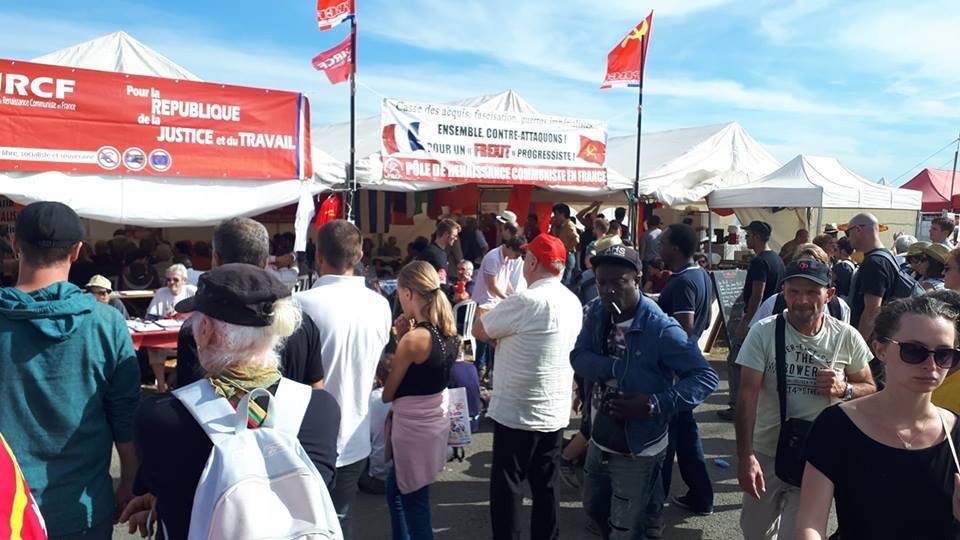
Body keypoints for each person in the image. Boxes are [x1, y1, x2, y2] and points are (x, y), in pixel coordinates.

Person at [128, 264, 341, 540]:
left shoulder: (159, 417)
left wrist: (163, 504)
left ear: (206, 330)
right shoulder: (323, 409)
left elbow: (173, 491)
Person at [0, 201, 140, 538]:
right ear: (77, 251)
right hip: (83, 508)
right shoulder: (107, 324)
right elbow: (125, 420)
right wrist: (129, 483)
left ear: (16, 245)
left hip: (9, 512)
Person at [572, 243, 719, 539]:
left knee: (626, 526)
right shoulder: (598, 313)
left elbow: (705, 377)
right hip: (599, 434)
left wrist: (653, 404)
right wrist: (615, 369)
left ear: (638, 279)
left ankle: (647, 522)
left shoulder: (661, 328)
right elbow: (578, 357)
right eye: (602, 282)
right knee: (594, 506)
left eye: (618, 282)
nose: (608, 290)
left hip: (638, 446)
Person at [796, 295, 960, 540]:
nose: (931, 364)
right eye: (914, 351)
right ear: (880, 350)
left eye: (944, 354)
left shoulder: (956, 432)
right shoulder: (837, 424)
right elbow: (810, 523)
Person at [735, 258, 876, 540]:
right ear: (784, 293)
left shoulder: (845, 336)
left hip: (817, 455)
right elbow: (747, 396)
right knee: (755, 532)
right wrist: (746, 456)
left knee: (799, 534)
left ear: (829, 294)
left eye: (812, 292)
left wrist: (844, 388)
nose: (802, 300)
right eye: (794, 292)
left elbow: (871, 386)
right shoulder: (764, 331)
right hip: (767, 450)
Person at [472, 234, 583, 540]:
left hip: (518, 410)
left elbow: (479, 328)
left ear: (533, 262)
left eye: (526, 258)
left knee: (508, 487)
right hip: (553, 408)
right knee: (546, 485)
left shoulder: (525, 300)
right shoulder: (572, 301)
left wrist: (499, 336)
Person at [296, 219, 393, 540]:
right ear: (360, 255)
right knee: (340, 520)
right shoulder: (380, 306)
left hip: (305, 436)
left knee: (303, 524)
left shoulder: (301, 305)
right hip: (355, 433)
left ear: (318, 255)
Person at [176, 218, 326, 390]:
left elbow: (187, 395)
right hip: (293, 407)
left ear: (215, 259)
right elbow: (316, 388)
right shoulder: (299, 322)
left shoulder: (200, 325)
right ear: (265, 262)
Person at [382, 261, 459, 540]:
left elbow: (388, 393)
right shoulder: (448, 332)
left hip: (412, 431)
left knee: (413, 505)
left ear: (408, 293)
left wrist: (401, 340)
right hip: (432, 425)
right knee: (401, 494)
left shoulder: (414, 340)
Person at [648, 223, 717, 522]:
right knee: (686, 437)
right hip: (685, 369)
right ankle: (701, 496)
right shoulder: (698, 274)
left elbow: (684, 329)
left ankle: (654, 508)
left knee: (666, 440)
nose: (659, 246)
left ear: (675, 248)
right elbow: (704, 319)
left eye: (663, 242)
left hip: (675, 372)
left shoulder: (684, 282)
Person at [720, 220, 785, 421]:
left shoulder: (759, 262)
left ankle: (737, 406)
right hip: (772, 318)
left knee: (736, 361)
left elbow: (757, 295)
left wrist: (745, 324)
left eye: (748, 236)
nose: (746, 239)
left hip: (757, 320)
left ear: (756, 237)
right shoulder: (777, 259)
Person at [748, 244, 851, 327]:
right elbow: (756, 336)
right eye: (794, 292)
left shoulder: (838, 308)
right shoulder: (773, 304)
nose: (803, 300)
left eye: (815, 267)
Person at [846, 212, 906, 343]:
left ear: (858, 230)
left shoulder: (874, 262)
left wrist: (856, 346)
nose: (848, 239)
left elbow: (872, 311)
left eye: (848, 233)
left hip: (873, 342)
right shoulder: (886, 257)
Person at [360, 355, 393, 496]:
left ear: (378, 376)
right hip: (409, 476)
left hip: (377, 478)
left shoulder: (372, 398)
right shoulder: (410, 398)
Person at [471, 236, 525, 309]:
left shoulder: (510, 259)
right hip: (484, 303)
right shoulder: (493, 258)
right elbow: (492, 285)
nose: (517, 258)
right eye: (517, 255)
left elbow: (506, 280)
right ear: (510, 248)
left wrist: (513, 295)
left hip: (495, 302)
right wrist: (507, 299)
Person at [418, 218, 461, 284]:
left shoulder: (442, 253)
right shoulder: (431, 253)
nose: (456, 239)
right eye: (454, 236)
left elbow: (443, 278)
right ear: (446, 234)